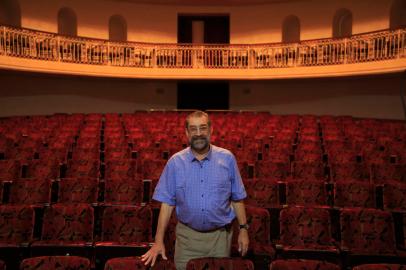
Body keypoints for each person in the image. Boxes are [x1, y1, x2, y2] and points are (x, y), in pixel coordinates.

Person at [141, 110, 249, 270]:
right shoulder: (175, 162)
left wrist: (243, 230)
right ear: (186, 133)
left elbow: (237, 197)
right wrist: (158, 241)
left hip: (220, 238)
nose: (199, 133)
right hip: (187, 239)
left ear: (211, 130)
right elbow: (167, 204)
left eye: (203, 128)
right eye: (193, 129)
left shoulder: (227, 158)